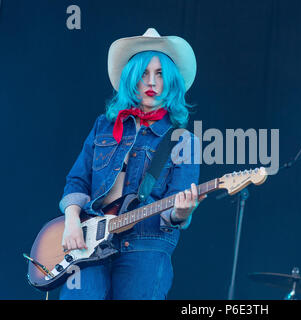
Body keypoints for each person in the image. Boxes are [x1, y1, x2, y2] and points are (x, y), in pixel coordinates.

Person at [58, 28, 203, 299]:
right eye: (143, 73)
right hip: (89, 241)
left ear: (171, 81)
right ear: (131, 79)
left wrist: (182, 213)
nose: (151, 82)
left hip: (146, 247)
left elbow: (175, 210)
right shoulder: (104, 126)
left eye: (160, 74)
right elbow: (77, 180)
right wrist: (71, 221)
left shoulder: (185, 141)